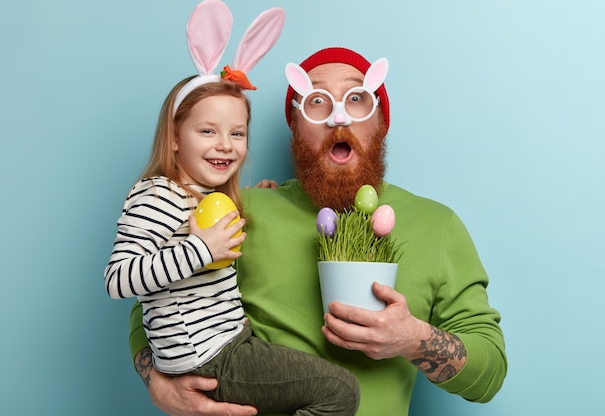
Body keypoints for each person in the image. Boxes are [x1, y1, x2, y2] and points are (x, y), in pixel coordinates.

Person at [129, 46, 507, 416]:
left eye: (357, 99)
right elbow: (154, 301)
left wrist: (413, 339)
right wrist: (158, 384)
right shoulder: (245, 211)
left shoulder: (437, 226)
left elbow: (489, 375)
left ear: (381, 122)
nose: (338, 118)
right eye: (317, 102)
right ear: (295, 127)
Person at [106, 3, 361, 415]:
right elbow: (118, 279)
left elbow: (197, 221)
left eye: (237, 133)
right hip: (210, 355)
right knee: (339, 390)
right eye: (208, 131)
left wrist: (254, 194)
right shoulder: (156, 194)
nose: (225, 144)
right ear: (173, 137)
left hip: (228, 339)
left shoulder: (200, 194)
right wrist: (201, 250)